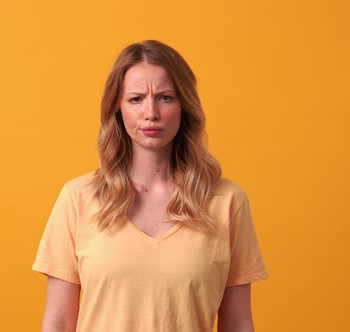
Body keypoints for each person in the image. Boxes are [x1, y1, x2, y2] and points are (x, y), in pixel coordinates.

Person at [32, 40, 268, 332]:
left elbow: (238, 323)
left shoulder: (227, 201)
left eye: (166, 97)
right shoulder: (78, 198)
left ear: (185, 106)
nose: (151, 112)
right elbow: (58, 322)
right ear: (117, 109)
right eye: (136, 99)